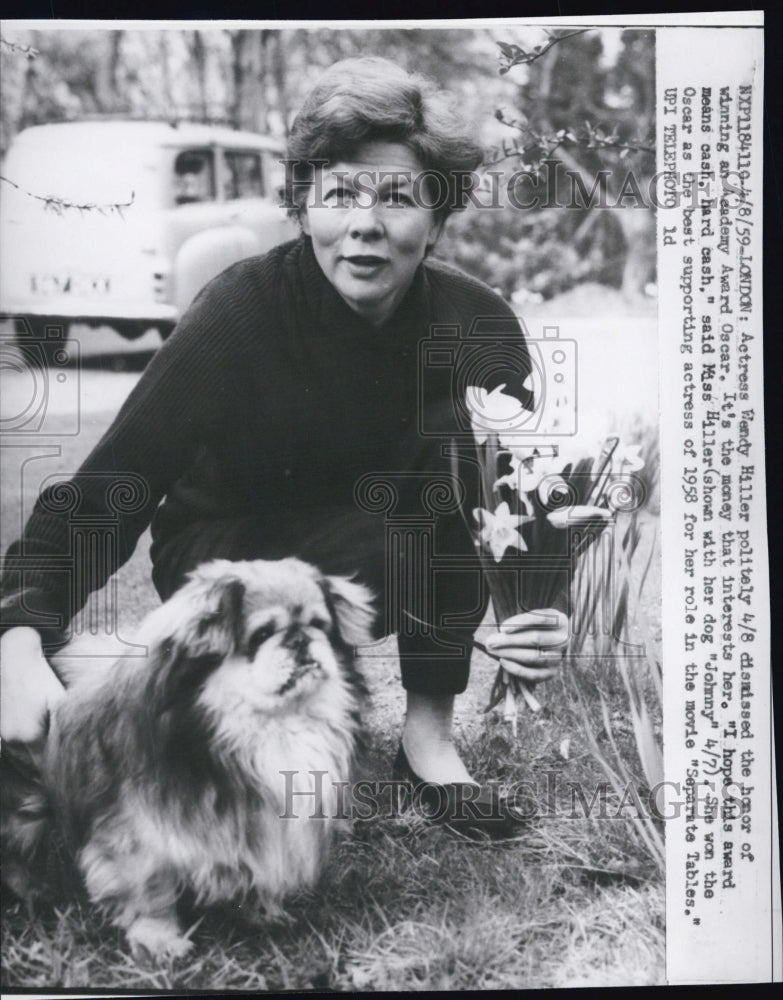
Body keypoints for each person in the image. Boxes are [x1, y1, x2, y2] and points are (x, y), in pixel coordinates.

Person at [1, 57, 568, 830]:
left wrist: (533, 601)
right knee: (405, 527)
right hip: (228, 551)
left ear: (437, 218)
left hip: (381, 539)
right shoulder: (241, 311)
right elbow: (113, 486)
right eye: (338, 194)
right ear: (302, 207)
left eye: (398, 197)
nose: (364, 223)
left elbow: (522, 503)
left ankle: (428, 744)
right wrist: (20, 634)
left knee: (446, 503)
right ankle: (236, 716)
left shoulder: (477, 325)